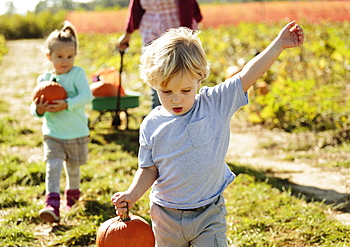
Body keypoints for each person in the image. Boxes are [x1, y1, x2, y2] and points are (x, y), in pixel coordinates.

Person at [111, 21, 304, 246]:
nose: (176, 99)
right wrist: (133, 194)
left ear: (199, 77)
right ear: (154, 84)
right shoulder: (151, 124)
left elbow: (248, 74)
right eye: (167, 91)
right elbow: (148, 168)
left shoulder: (215, 103)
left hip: (209, 213)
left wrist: (279, 45)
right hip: (166, 217)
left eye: (185, 90)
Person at [30, 21, 93, 224]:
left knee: (73, 169)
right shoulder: (44, 79)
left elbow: (86, 96)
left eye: (69, 56)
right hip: (53, 133)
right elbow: (35, 108)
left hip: (75, 132)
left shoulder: (77, 74)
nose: (65, 61)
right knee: (53, 166)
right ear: (49, 56)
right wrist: (39, 110)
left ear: (74, 55)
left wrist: (67, 104)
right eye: (59, 57)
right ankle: (52, 205)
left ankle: (72, 198)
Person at [117, 0, 203, 109]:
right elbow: (136, 7)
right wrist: (127, 34)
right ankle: (159, 118)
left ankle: (188, 116)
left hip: (177, 36)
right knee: (158, 81)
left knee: (183, 80)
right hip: (151, 34)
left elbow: (187, 6)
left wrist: (187, 40)